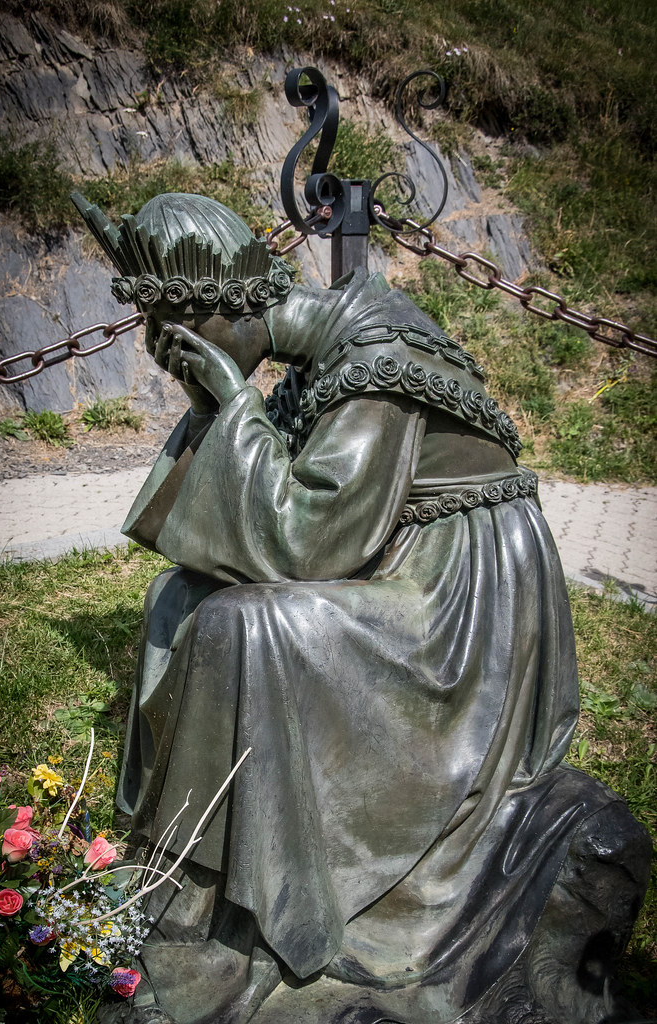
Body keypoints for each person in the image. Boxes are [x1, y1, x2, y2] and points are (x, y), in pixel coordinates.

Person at [73, 191, 650, 1024]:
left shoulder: (373, 354)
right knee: (179, 597)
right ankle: (181, 878)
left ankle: (244, 909)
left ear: (227, 309)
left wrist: (229, 401)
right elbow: (265, 505)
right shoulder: (316, 356)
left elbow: (307, 542)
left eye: (185, 343)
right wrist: (220, 404)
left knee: (248, 625)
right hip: (392, 557)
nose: (181, 360)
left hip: (458, 606)